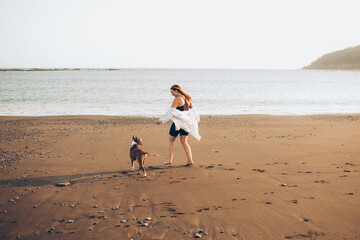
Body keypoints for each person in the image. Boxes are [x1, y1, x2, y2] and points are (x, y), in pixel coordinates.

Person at [156, 84, 200, 166]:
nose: (172, 94)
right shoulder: (187, 99)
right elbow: (193, 111)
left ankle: (169, 160)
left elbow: (171, 112)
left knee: (171, 141)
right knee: (184, 142)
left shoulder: (177, 99)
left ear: (177, 90)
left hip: (178, 124)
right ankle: (190, 160)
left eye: (172, 92)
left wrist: (161, 120)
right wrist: (195, 120)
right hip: (186, 124)